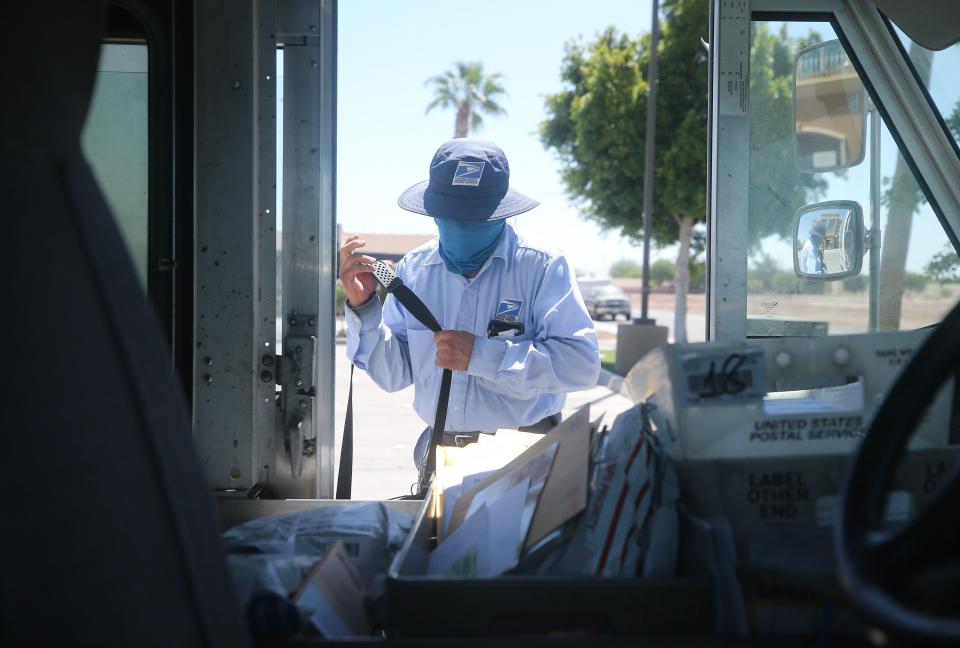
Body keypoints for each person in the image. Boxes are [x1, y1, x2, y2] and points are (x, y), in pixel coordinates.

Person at [338, 138, 600, 476]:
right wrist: (365, 309)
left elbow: (581, 365)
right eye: (450, 216)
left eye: (474, 218)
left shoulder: (542, 267)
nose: (460, 225)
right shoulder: (413, 270)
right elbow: (394, 375)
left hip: (524, 461)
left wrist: (482, 356)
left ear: (501, 213)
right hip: (440, 460)